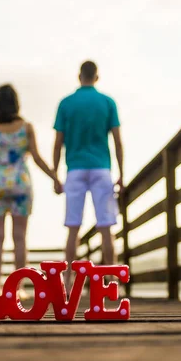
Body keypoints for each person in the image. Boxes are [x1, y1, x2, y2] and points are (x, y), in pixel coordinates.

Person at [0, 84, 61, 298]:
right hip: (20, 183)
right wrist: (54, 177)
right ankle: (19, 288)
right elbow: (37, 157)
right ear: (16, 103)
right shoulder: (26, 127)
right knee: (20, 238)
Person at [52, 61, 124, 289]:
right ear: (97, 77)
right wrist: (122, 173)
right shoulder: (107, 102)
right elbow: (117, 141)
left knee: (73, 227)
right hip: (101, 168)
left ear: (78, 76)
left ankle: (68, 281)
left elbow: (58, 144)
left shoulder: (66, 103)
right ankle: (112, 279)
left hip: (74, 169)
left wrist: (55, 174)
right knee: (106, 226)